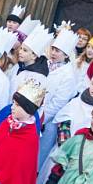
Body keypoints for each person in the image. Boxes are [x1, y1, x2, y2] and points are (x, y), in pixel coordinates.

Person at [37, 27, 79, 163]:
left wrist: (39, 118)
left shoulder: (68, 75)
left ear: (66, 55)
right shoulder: (45, 63)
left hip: (47, 121)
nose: (53, 53)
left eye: (58, 51)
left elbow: (58, 103)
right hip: (32, 111)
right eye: (53, 49)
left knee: (36, 156)